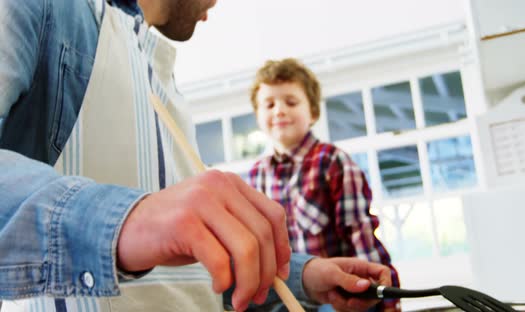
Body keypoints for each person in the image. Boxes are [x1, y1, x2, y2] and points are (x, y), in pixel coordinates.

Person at [0, 0, 393, 311]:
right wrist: (127, 219)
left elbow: (190, 277)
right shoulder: (45, 10)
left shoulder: (163, 80)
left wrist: (306, 276)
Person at [248, 58, 402, 312]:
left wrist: (387, 300)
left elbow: (360, 235)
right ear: (258, 116)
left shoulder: (333, 162)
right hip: (291, 298)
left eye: (291, 102)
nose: (279, 111)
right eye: (269, 104)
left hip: (339, 296)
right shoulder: (257, 176)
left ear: (313, 113)